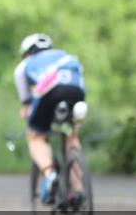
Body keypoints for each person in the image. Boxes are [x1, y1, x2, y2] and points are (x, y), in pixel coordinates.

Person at [13, 33, 86, 204]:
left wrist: (27, 113)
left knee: (35, 137)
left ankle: (49, 174)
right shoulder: (67, 57)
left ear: (27, 52)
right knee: (72, 136)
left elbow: (26, 103)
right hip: (76, 91)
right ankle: (78, 189)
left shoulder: (24, 65)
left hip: (49, 90)